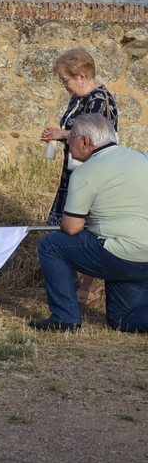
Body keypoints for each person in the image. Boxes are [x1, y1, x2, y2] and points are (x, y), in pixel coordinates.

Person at [33, 114, 148, 332]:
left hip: (120, 252)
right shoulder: (143, 158)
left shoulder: (85, 172)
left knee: (51, 245)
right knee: (122, 319)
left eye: (71, 137)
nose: (68, 141)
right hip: (143, 257)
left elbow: (72, 227)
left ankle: (64, 317)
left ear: (86, 142)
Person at [40, 48, 118, 305]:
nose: (64, 85)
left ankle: (89, 283)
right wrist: (59, 132)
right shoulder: (78, 98)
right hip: (74, 171)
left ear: (82, 75)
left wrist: (62, 134)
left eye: (66, 80)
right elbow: (74, 129)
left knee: (89, 224)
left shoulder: (100, 100)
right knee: (66, 221)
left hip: (93, 172)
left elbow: (93, 138)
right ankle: (70, 278)